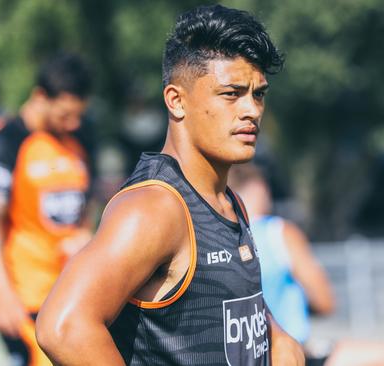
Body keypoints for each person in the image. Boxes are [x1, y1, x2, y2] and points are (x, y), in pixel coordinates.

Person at [35, 5, 304, 366]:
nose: (252, 110)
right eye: (231, 93)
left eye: (258, 94)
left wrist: (281, 341)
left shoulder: (228, 201)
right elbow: (64, 328)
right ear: (176, 101)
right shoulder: (155, 207)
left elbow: (236, 312)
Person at [0, 53, 94, 366]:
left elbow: (85, 206)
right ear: (41, 97)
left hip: (71, 293)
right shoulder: (5, 140)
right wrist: (2, 293)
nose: (74, 123)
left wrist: (83, 234)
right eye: (66, 114)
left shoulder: (78, 138)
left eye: (78, 115)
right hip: (25, 297)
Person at [229, 163, 384, 366]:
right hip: (289, 353)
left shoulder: (223, 238)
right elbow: (325, 302)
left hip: (243, 356)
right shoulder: (279, 232)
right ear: (259, 189)